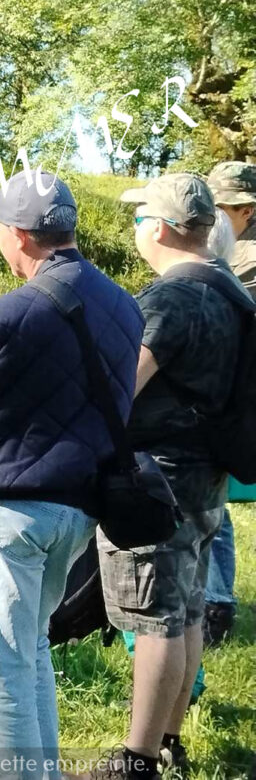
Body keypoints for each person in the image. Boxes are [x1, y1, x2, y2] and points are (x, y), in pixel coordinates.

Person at [0, 171, 144, 780]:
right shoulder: (125, 304)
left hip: (13, 507)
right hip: (81, 508)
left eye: (0, 229)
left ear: (19, 235)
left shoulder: (14, 310)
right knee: (34, 649)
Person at [92, 173, 249, 780]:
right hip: (206, 475)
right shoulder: (232, 290)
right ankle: (169, 742)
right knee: (184, 614)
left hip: (157, 478)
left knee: (155, 618)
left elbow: (118, 389)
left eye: (138, 220)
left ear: (156, 228)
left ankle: (135, 760)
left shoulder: (171, 298)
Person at [202, 161, 256, 646]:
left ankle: (216, 602)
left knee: (211, 501)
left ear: (245, 209)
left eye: (221, 206)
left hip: (234, 393)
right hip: (224, 390)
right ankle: (216, 600)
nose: (213, 214)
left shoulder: (247, 258)